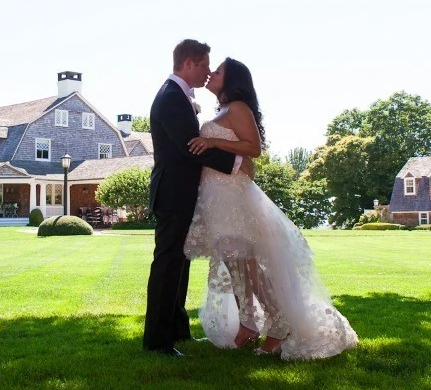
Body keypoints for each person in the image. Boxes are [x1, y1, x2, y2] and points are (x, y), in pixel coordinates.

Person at [185, 57, 358, 360]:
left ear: (233, 79)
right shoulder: (221, 110)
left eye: (220, 70)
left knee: (250, 266)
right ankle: (248, 324)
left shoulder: (238, 107)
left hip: (236, 197)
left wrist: (213, 144)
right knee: (234, 264)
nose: (213, 73)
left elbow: (254, 148)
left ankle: (278, 326)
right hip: (216, 197)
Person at [143, 39, 254, 358]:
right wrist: (236, 164)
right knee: (167, 265)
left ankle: (178, 331)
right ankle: (157, 342)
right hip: (174, 194)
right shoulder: (171, 97)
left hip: (181, 193)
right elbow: (191, 149)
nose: (208, 71)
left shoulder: (177, 95)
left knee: (180, 264)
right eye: (205, 64)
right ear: (189, 63)